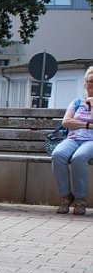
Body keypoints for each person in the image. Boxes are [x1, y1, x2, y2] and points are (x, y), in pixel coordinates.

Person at [51, 66, 93, 215]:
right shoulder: (76, 102)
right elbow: (66, 122)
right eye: (90, 81)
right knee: (57, 154)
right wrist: (87, 125)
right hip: (73, 139)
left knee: (79, 158)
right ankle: (66, 197)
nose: (92, 84)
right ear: (85, 84)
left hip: (91, 141)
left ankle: (80, 200)